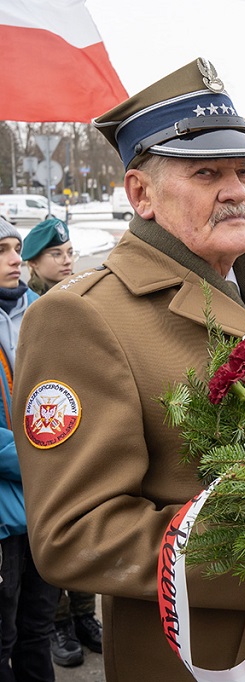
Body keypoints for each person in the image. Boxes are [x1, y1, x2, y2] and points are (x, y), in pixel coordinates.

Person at [13, 59, 245, 682]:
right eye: (206, 173)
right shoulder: (83, 319)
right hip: (220, 660)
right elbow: (74, 534)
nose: (237, 191)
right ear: (140, 194)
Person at [20, 219, 104, 667]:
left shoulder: (78, 297)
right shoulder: (35, 308)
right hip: (44, 429)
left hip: (78, 421)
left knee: (86, 519)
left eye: (70, 251)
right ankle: (57, 621)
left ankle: (84, 615)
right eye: (56, 254)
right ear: (33, 262)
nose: (67, 259)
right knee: (53, 530)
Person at [0, 218, 57, 681]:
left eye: (17, 248)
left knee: (37, 631)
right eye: (2, 250)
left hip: (44, 507)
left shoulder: (48, 311)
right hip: (5, 511)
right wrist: (37, 460)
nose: (16, 259)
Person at [21, 219, 76, 295]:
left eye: (70, 253)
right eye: (57, 254)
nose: (68, 261)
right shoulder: (27, 303)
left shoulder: (84, 292)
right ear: (33, 262)